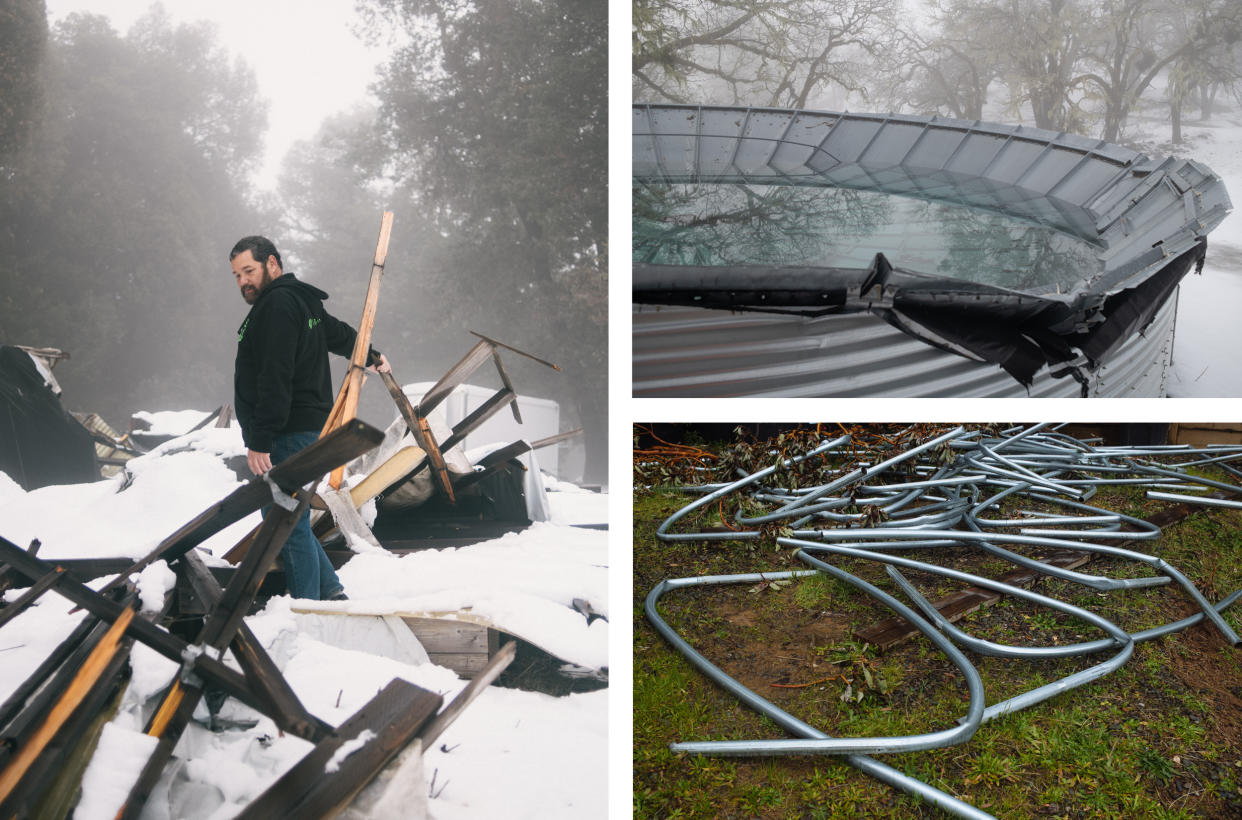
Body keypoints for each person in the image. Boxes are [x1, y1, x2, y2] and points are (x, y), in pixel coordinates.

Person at [230, 235, 390, 601]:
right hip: (305, 428)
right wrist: (373, 355)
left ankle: (309, 606)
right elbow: (341, 335)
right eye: (237, 275)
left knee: (284, 520)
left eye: (249, 271)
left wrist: (260, 439)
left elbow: (276, 374)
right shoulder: (303, 302)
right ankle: (330, 593)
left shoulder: (278, 306)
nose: (243, 282)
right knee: (288, 517)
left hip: (286, 430)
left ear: (272, 263)